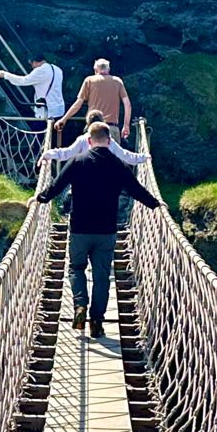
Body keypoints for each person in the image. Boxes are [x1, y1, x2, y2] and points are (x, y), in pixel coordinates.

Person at [36, 121, 161, 336]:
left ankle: (80, 305)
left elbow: (57, 185)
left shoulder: (78, 161)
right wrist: (156, 204)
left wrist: (40, 198)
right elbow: (136, 189)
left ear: (89, 140)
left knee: (76, 268)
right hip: (106, 230)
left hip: (79, 229)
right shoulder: (117, 165)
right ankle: (96, 321)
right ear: (110, 141)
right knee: (102, 276)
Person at [59, 58, 133, 139]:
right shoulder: (118, 81)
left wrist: (64, 119)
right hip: (111, 128)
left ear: (95, 69)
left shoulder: (89, 80)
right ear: (108, 69)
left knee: (92, 151)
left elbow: (78, 104)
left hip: (94, 128)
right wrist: (126, 126)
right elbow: (127, 105)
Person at [45, 109, 145, 166]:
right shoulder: (109, 141)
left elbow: (66, 153)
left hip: (85, 180)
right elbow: (125, 155)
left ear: (88, 125)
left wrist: (49, 154)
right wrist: (143, 157)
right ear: (103, 123)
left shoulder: (82, 140)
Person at [0, 56, 66, 127]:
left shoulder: (40, 70)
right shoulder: (57, 69)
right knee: (57, 136)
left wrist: (5, 75)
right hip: (59, 110)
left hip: (46, 112)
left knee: (41, 135)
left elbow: (24, 81)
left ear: (34, 62)